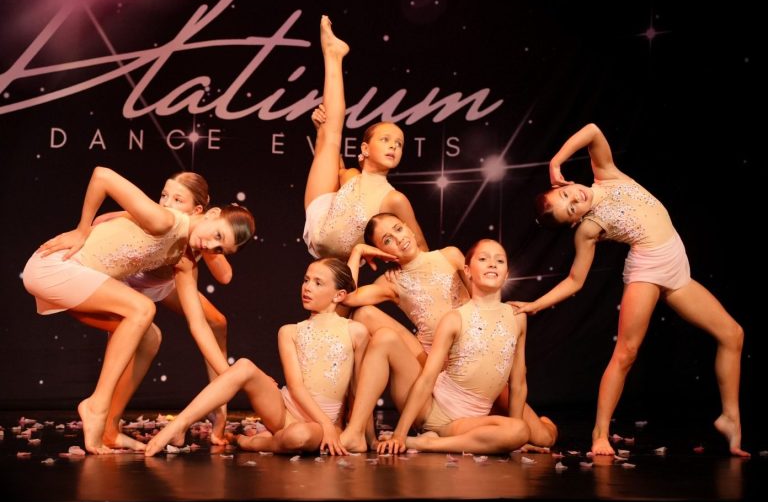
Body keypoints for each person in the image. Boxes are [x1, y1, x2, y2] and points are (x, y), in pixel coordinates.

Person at [511, 123, 748, 457]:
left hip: (676, 270)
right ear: (575, 221)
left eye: (566, 195)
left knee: (732, 334)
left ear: (564, 184)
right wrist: (535, 304)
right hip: (647, 270)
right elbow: (575, 281)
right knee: (626, 352)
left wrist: (555, 161)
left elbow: (593, 131)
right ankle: (599, 434)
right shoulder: (589, 229)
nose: (574, 200)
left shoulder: (606, 174)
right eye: (571, 210)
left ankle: (730, 417)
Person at [23, 166, 255, 454]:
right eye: (217, 235)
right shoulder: (164, 220)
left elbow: (198, 324)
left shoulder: (184, 260)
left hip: (84, 279)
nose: (211, 245)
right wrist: (81, 230)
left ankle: (109, 429)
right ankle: (97, 405)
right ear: (210, 214)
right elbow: (102, 176)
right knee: (142, 309)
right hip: (57, 265)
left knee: (150, 336)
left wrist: (231, 375)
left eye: (220, 249)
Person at [342, 213, 557, 450]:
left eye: (398, 229)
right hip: (431, 361)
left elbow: (482, 298)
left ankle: (534, 424)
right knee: (363, 314)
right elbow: (347, 297)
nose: (398, 238)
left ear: (408, 227)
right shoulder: (391, 282)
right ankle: (360, 428)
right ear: (381, 252)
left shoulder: (449, 256)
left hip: (472, 358)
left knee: (543, 437)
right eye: (387, 240)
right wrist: (358, 252)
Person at [145, 258, 369, 457]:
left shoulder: (355, 331)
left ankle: (258, 443)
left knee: (299, 436)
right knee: (243, 366)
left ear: (339, 295)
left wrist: (342, 429)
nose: (307, 287)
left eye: (318, 283)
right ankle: (179, 426)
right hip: (285, 412)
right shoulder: (290, 331)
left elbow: (360, 389)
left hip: (321, 424)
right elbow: (296, 386)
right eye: (306, 280)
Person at [303, 15, 428, 260]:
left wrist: (400, 269)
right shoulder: (350, 176)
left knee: (329, 137)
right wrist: (320, 132)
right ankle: (333, 55)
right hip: (319, 222)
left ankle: (333, 55)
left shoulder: (394, 199)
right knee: (329, 135)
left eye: (399, 144)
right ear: (365, 148)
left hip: (340, 255)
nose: (393, 146)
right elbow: (335, 166)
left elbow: (421, 246)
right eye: (385, 140)